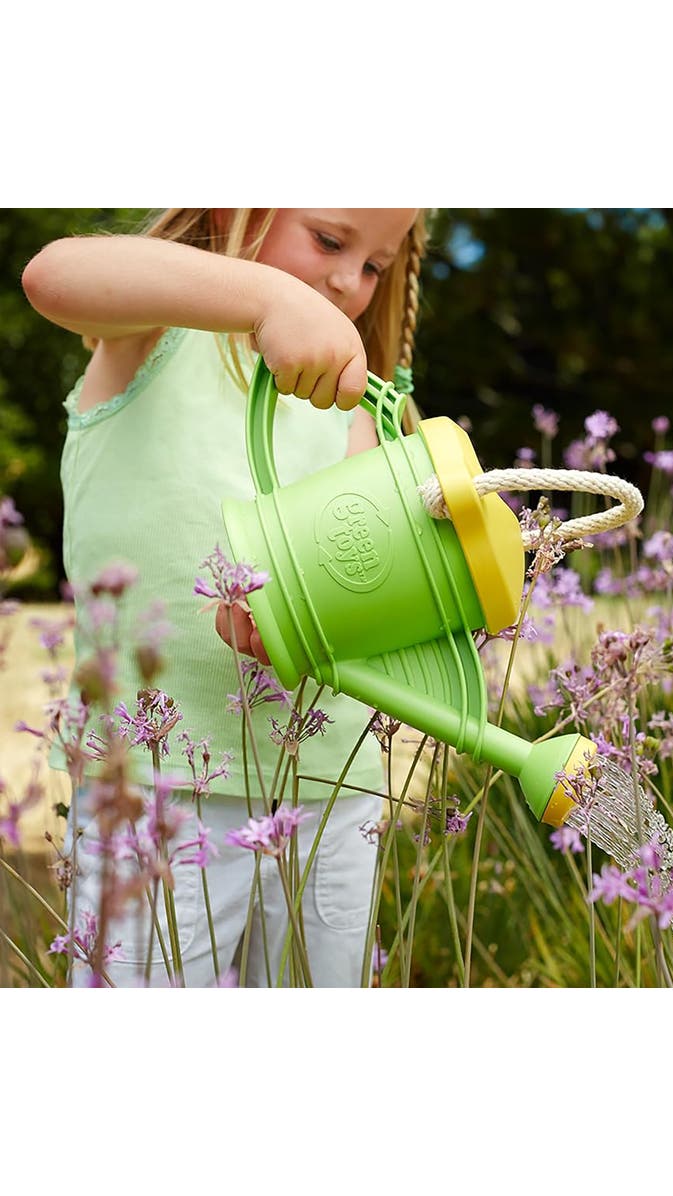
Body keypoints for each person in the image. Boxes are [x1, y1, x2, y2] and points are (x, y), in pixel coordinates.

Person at [22, 208, 429, 988]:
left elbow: (370, 581)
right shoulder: (155, 334)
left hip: (329, 787)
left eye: (376, 266)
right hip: (152, 784)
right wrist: (265, 297)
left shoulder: (353, 405)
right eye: (331, 241)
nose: (350, 282)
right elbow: (53, 276)